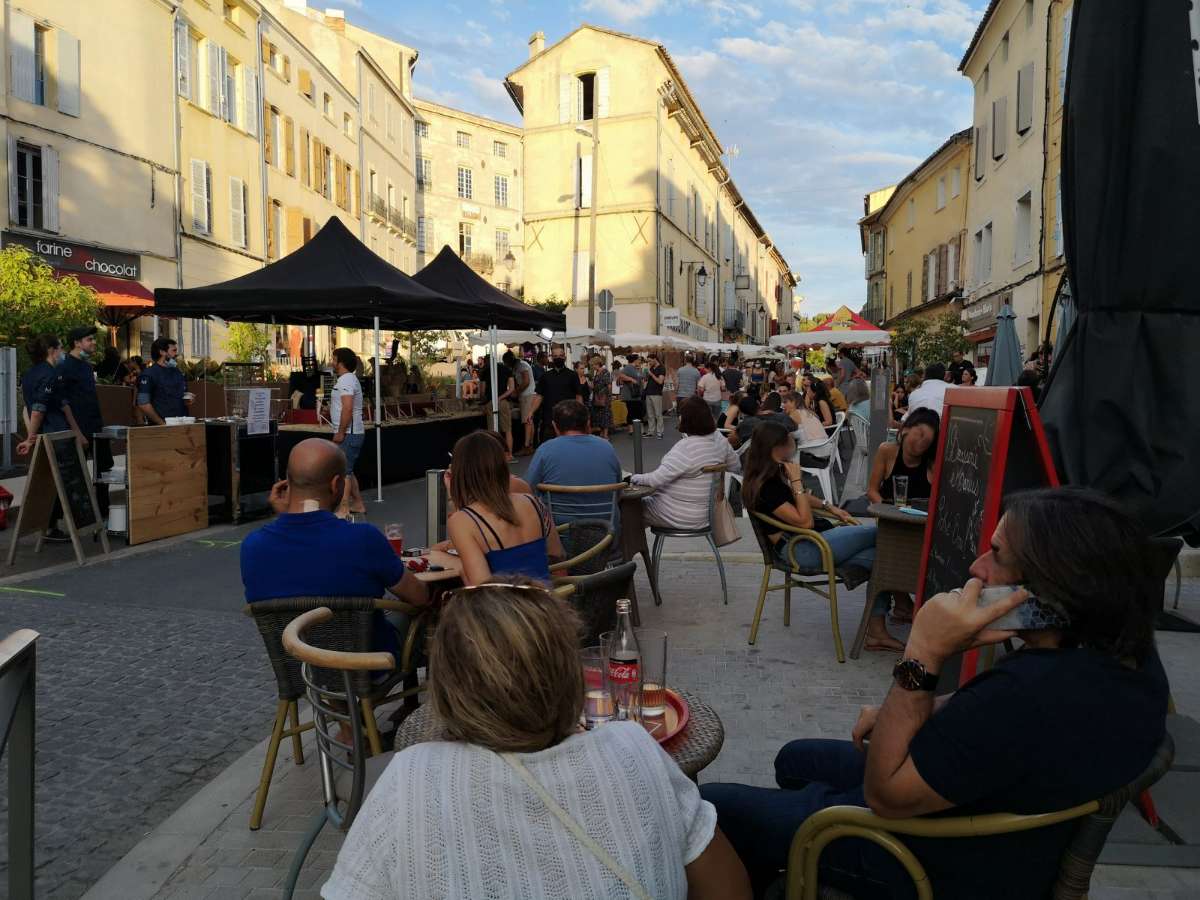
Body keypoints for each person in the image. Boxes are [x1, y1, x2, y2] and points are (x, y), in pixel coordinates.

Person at [701, 488, 1167, 899]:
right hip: (1004, 824)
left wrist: (922, 651)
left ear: (1048, 589)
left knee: (712, 810)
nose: (976, 568)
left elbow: (886, 797)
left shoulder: (1025, 696)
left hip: (930, 859)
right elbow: (995, 729)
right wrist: (919, 707)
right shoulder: (1129, 658)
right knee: (795, 759)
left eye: (997, 555)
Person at [324, 580, 752, 900]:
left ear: (448, 690)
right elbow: (729, 890)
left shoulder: (409, 779)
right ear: (571, 678)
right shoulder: (635, 746)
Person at [446, 431, 558, 584]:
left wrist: (453, 494)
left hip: (504, 606)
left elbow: (482, 588)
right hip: (544, 601)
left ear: (460, 471)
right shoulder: (534, 503)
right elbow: (557, 556)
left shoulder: (463, 521)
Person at [631, 397, 740, 529]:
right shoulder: (720, 441)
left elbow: (656, 480)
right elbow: (736, 466)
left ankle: (628, 548)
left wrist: (633, 478)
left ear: (685, 419)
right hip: (707, 514)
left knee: (630, 509)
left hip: (677, 513)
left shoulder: (686, 448)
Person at [526, 400, 623, 523]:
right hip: (606, 531)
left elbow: (527, 489)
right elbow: (618, 492)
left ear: (555, 426)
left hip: (560, 532)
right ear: (588, 423)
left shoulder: (546, 450)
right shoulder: (607, 447)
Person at [58, 326, 112, 519]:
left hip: (95, 427)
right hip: (78, 429)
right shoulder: (65, 367)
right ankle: (56, 520)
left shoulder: (87, 366)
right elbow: (63, 403)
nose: (93, 342)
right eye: (89, 339)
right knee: (73, 474)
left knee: (105, 470)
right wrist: (77, 432)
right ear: (77, 343)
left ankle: (104, 513)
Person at [329, 347, 367, 517]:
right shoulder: (347, 379)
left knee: (344, 472)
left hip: (349, 433)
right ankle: (358, 503)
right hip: (351, 432)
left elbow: (348, 407)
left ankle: (344, 508)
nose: (331, 362)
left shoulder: (346, 380)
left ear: (341, 362)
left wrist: (341, 432)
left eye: (334, 359)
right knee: (348, 470)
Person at [533, 345, 581, 443]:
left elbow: (578, 396)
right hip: (549, 419)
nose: (558, 358)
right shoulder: (545, 376)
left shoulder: (573, 375)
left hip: (569, 417)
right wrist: (531, 411)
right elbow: (539, 396)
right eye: (555, 356)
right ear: (551, 358)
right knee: (549, 447)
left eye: (560, 356)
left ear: (564, 357)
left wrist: (581, 413)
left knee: (568, 447)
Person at [136, 337, 189, 425]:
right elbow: (143, 404)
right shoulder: (149, 374)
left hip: (182, 424)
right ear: (162, 352)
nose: (176, 354)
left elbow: (181, 395)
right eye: (174, 350)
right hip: (162, 428)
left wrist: (187, 398)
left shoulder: (177, 372)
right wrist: (162, 424)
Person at [480, 353, 516, 459]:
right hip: (504, 402)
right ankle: (509, 454)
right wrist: (501, 397)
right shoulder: (506, 369)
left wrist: (484, 400)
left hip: (490, 402)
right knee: (508, 430)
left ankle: (494, 456)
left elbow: (482, 391)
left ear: (486, 361)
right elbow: (512, 388)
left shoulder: (485, 371)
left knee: (493, 431)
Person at [505, 351, 537, 456]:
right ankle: (530, 445)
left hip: (527, 395)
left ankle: (527, 446)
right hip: (526, 395)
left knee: (527, 421)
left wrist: (516, 392)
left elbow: (526, 381)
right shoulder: (518, 366)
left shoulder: (522, 365)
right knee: (529, 421)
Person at [618, 354, 645, 431]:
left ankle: (635, 429)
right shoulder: (628, 367)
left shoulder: (635, 368)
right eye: (639, 359)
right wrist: (631, 379)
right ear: (635, 360)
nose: (640, 361)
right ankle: (632, 429)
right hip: (630, 395)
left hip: (636, 394)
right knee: (633, 412)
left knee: (637, 411)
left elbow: (641, 377)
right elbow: (621, 375)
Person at [588, 355, 612, 439]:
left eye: (593, 365)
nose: (592, 367)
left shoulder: (605, 372)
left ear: (597, 364)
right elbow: (595, 385)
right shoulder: (596, 373)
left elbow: (609, 385)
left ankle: (605, 435)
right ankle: (601, 433)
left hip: (603, 397)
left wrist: (608, 396)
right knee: (598, 415)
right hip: (596, 396)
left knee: (605, 415)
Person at [643, 353, 666, 439]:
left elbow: (660, 381)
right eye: (648, 361)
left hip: (656, 393)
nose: (649, 363)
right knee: (650, 414)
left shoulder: (661, 368)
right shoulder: (651, 368)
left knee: (658, 414)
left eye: (650, 361)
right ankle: (651, 431)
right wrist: (646, 375)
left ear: (655, 359)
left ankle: (660, 432)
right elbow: (646, 380)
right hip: (648, 392)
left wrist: (651, 374)